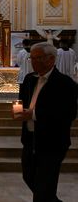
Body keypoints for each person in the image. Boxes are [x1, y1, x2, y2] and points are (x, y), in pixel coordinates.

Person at [14, 42, 77, 202]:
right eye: (32, 58)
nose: (34, 62)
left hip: (52, 143)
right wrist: (19, 111)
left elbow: (69, 114)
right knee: (29, 177)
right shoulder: (29, 80)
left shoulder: (65, 84)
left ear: (51, 60)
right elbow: (23, 101)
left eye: (38, 58)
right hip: (30, 140)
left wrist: (34, 115)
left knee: (43, 189)